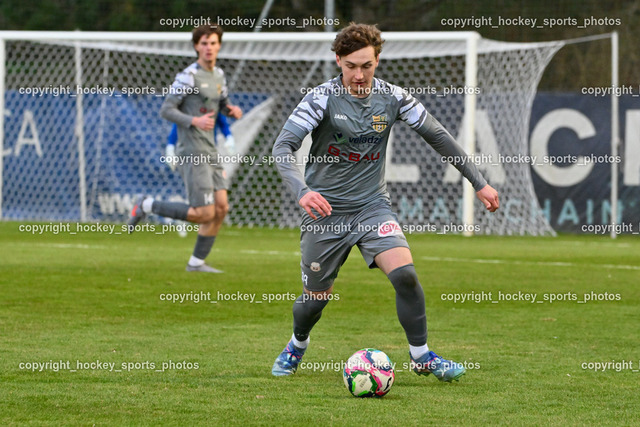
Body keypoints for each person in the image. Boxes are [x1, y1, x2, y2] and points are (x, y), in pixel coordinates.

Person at [271, 23, 499, 381]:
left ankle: (422, 356)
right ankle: (297, 345)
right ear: (338, 61)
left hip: (372, 207)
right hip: (325, 212)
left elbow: (438, 136)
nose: (359, 75)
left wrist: (479, 182)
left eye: (366, 65)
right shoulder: (320, 98)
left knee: (405, 275)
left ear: (377, 60)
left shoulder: (394, 97)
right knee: (315, 300)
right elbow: (283, 146)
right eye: (351, 66)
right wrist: (303, 191)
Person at [127, 24, 242, 273]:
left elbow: (221, 103)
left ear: (219, 46)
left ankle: (196, 263)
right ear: (196, 46)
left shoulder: (219, 75)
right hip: (192, 150)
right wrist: (194, 121)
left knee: (221, 208)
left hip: (210, 150)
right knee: (204, 213)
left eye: (213, 43)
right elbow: (166, 109)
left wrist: (230, 110)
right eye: (204, 43)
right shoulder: (188, 76)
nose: (208, 48)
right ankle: (147, 205)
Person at [165, 114, 235, 172]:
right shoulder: (188, 107)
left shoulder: (214, 105)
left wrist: (229, 138)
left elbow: (222, 123)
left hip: (210, 149)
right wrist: (170, 148)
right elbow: (177, 125)